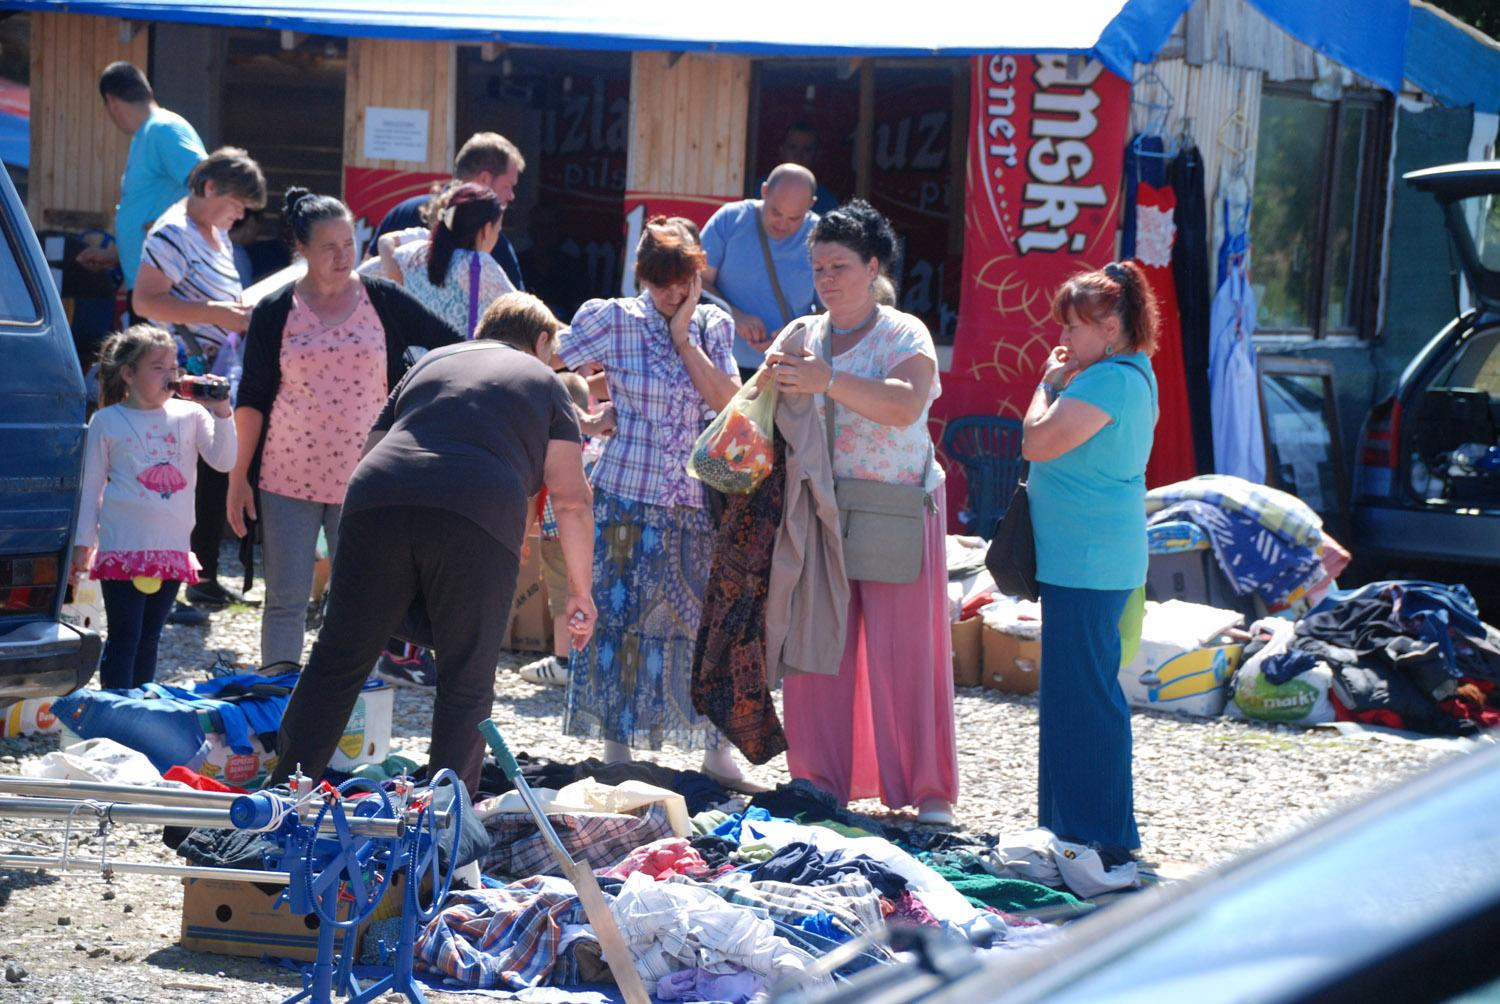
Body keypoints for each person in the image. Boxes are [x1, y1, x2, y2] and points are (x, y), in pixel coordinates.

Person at [271, 293, 597, 797]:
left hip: (378, 495)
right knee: (465, 680)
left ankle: (280, 799)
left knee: (337, 660)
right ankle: (445, 828)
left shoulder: (431, 361)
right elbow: (573, 501)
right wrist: (580, 590)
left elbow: (370, 452)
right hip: (478, 507)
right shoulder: (546, 382)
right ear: (541, 342)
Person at [766, 200, 957, 823]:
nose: (826, 278)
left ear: (873, 267)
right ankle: (819, 780)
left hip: (897, 505)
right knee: (817, 653)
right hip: (819, 510)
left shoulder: (905, 332)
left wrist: (827, 381)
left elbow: (906, 406)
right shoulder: (799, 336)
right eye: (818, 266)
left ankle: (928, 793)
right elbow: (756, 410)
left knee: (909, 657)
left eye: (840, 266)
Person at [227, 188, 460, 670]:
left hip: (364, 480)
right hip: (286, 476)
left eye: (349, 243)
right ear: (302, 249)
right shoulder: (275, 311)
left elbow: (452, 347)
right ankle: (277, 701)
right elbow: (250, 399)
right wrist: (237, 478)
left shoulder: (383, 300)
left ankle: (339, 711)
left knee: (358, 604)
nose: (342, 255)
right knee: (286, 601)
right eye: (328, 246)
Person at [557, 216, 748, 782]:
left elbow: (731, 406)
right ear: (643, 277)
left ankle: (715, 750)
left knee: (701, 627)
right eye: (660, 282)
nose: (670, 293)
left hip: (696, 499)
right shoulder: (613, 319)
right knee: (617, 622)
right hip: (625, 494)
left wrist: (684, 338)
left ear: (695, 275)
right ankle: (617, 749)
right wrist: (578, 418)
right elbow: (547, 360)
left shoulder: (713, 324)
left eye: (681, 280)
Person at [1021, 261, 1160, 860]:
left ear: (1110, 328)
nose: (1065, 340)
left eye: (1075, 327)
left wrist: (1045, 385)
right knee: (1071, 699)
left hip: (1088, 560)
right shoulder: (1123, 373)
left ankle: (1101, 835)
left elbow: (1035, 441)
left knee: (1086, 701)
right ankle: (1067, 829)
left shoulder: (1107, 381)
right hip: (1085, 557)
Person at [133, 147, 267, 610]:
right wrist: (217, 314)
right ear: (209, 189)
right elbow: (146, 301)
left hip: (210, 370)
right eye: (236, 204)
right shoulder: (173, 232)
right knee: (181, 476)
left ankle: (201, 576)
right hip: (181, 373)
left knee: (211, 473)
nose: (240, 214)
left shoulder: (214, 233)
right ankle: (172, 584)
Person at [71, 325, 236, 689]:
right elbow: (91, 487)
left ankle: (142, 709)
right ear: (129, 373)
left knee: (150, 640)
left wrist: (222, 411)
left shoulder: (191, 415)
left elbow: (224, 461)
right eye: (158, 367)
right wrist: (83, 543)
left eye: (174, 366)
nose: (171, 375)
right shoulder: (107, 421)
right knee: (124, 638)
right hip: (123, 548)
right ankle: (118, 711)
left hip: (171, 549)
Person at [77, 62, 207, 298]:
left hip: (169, 289)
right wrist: (116, 254)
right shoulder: (147, 134)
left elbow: (210, 186)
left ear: (111, 102)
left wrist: (166, 223)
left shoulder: (164, 129)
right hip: (148, 286)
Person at [518, 372, 611, 687]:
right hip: (593, 533)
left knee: (562, 599)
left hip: (556, 532)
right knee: (590, 594)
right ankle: (588, 659)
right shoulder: (598, 444)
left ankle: (563, 661)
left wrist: (523, 534)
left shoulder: (551, 442)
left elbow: (535, 492)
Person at [368, 132, 527, 290]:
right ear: (484, 180)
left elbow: (361, 283)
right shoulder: (490, 237)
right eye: (507, 186)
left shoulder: (402, 213)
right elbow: (516, 311)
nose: (511, 196)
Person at [701, 164, 820, 374]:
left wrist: (797, 331)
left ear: (811, 205)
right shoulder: (730, 219)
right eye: (776, 212)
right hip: (721, 364)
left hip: (787, 368)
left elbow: (832, 307)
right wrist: (733, 315)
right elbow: (697, 281)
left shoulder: (820, 237)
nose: (782, 224)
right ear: (764, 191)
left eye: (794, 218)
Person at [376, 182, 514, 336]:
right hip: (457, 359)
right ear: (487, 229)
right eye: (498, 230)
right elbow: (522, 313)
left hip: (417, 360)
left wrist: (397, 279)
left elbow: (368, 269)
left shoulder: (413, 254)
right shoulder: (480, 264)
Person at [757, 122, 839, 216]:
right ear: (782, 150)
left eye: (807, 150)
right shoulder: (758, 189)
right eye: (792, 147)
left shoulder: (827, 200)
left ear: (817, 155)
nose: (798, 156)